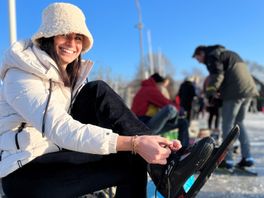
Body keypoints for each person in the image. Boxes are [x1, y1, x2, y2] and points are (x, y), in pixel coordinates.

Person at [0, 3, 214, 198]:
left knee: (97, 90)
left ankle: (166, 167)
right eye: (63, 34)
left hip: (55, 154)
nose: (72, 44)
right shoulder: (21, 75)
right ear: (49, 36)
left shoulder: (69, 80)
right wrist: (134, 143)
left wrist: (143, 143)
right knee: (131, 159)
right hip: (26, 172)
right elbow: (59, 127)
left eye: (78, 38)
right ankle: (165, 170)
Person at [193, 45, 259, 170]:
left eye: (198, 58)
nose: (199, 62)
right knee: (239, 122)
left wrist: (210, 93)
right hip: (248, 90)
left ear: (201, 53)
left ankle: (227, 160)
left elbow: (218, 75)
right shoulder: (228, 54)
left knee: (227, 125)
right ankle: (248, 157)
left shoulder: (212, 56)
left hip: (235, 92)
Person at [131, 73, 190, 148]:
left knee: (183, 122)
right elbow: (166, 103)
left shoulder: (144, 89)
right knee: (171, 109)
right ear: (158, 83)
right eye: (162, 85)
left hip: (145, 124)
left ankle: (183, 149)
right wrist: (179, 110)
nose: (163, 88)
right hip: (144, 126)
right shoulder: (149, 90)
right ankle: (183, 149)